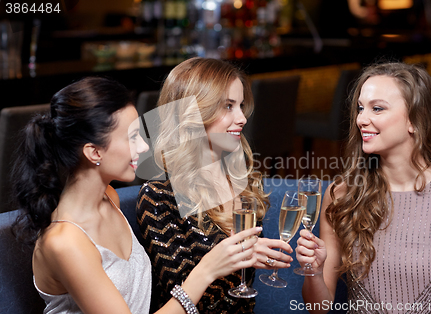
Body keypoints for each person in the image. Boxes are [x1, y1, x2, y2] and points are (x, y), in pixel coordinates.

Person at [12, 76, 262, 314]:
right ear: (94, 153)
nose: (143, 147)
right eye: (132, 137)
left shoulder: (110, 198)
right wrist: (206, 270)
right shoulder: (65, 243)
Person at [296, 62, 431, 314]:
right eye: (361, 108)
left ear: (415, 119)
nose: (362, 119)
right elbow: (319, 308)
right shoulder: (341, 195)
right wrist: (314, 272)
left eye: (377, 108)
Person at [136, 57, 293, 313]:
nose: (242, 118)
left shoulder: (242, 183)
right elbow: (187, 303)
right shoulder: (160, 198)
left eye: (241, 105)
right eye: (228, 106)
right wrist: (221, 262)